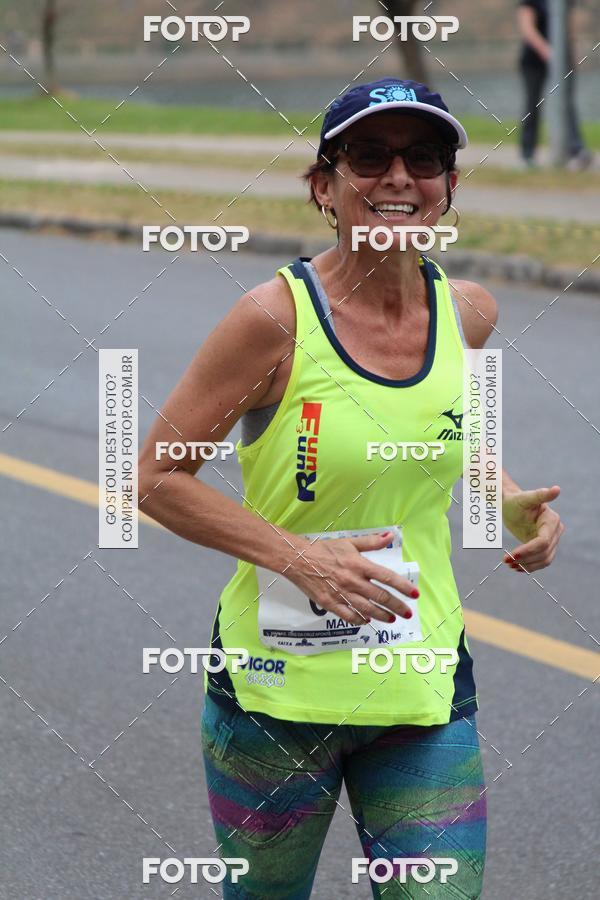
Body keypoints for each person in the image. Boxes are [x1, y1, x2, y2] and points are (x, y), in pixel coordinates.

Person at [138, 78, 565, 898]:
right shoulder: (273, 320)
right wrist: (301, 558)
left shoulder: (468, 312)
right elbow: (156, 477)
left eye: (424, 159)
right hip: (275, 697)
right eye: (368, 156)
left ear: (448, 187)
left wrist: (505, 497)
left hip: (421, 685)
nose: (398, 177)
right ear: (323, 187)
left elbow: (452, 427)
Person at [517, 0, 592, 169]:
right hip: (534, 60)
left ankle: (576, 150)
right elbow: (527, 28)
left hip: (562, 59)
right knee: (533, 106)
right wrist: (547, 51)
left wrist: (571, 52)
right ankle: (527, 154)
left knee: (566, 104)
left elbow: (568, 26)